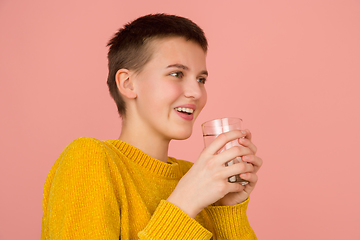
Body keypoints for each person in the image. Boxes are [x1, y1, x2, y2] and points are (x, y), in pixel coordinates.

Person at [41, 13, 262, 239]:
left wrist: (228, 209)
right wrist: (185, 203)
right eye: (176, 74)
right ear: (128, 83)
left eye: (201, 79)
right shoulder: (89, 160)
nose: (196, 92)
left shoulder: (197, 178)